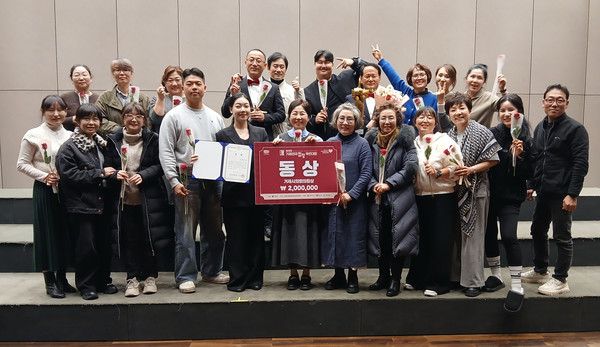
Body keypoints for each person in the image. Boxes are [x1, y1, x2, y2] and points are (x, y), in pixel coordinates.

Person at [159, 67, 228, 294]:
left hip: (213, 180)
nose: (194, 87)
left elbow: (222, 150)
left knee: (215, 229)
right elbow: (166, 152)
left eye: (198, 83)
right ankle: (186, 276)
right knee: (186, 230)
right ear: (183, 87)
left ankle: (211, 271)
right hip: (187, 180)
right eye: (189, 84)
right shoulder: (173, 116)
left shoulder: (215, 118)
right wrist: (173, 181)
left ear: (205, 88)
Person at [522, 84, 589, 296]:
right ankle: (541, 270)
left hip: (562, 193)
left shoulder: (575, 129)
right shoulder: (541, 127)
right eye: (550, 99)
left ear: (567, 103)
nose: (554, 103)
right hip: (543, 191)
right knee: (537, 230)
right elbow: (536, 158)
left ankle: (561, 279)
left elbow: (580, 164)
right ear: (543, 103)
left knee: (562, 236)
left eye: (560, 100)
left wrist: (573, 194)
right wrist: (531, 185)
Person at [104, 102, 174, 297]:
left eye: (139, 116)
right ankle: (132, 279)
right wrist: (115, 174)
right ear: (122, 118)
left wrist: (144, 175)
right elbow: (107, 167)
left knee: (148, 240)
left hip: (149, 199)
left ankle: (150, 277)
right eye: (129, 115)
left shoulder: (153, 139)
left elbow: (161, 165)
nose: (134, 119)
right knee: (130, 240)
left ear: (144, 119)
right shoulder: (113, 140)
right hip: (124, 201)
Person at [56, 103, 118, 300]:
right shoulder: (69, 147)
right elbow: (69, 175)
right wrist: (100, 173)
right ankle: (86, 285)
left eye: (95, 119)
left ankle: (102, 281)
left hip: (103, 203)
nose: (91, 123)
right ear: (77, 121)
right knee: (86, 248)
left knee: (103, 245)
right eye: (87, 119)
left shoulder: (102, 143)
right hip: (81, 205)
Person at [16, 95, 75, 298]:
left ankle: (62, 278)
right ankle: (49, 281)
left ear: (66, 112)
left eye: (60, 110)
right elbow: (22, 164)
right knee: (46, 233)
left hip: (67, 191)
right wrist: (44, 177)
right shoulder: (33, 134)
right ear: (43, 111)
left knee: (63, 233)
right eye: (51, 110)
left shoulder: (70, 135)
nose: (56, 114)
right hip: (45, 190)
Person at [445, 92, 501, 297]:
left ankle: (473, 282)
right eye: (453, 109)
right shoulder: (447, 136)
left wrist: (471, 170)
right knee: (455, 236)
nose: (458, 112)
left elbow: (493, 159)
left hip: (477, 189)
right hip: (453, 190)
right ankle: (454, 277)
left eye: (462, 108)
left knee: (474, 236)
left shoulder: (481, 131)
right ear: (449, 113)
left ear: (469, 109)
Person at [484, 94, 535, 311]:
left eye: (511, 110)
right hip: (489, 193)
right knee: (488, 234)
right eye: (503, 110)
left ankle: (516, 284)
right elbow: (490, 160)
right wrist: (506, 154)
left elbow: (528, 171)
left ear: (519, 112)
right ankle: (496, 275)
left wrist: (521, 157)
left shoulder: (526, 138)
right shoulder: (493, 133)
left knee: (509, 236)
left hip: (511, 197)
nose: (507, 114)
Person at [216, 93, 269, 292]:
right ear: (231, 109)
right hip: (233, 196)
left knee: (256, 239)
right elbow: (218, 165)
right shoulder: (222, 134)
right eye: (238, 106)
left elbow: (266, 161)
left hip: (256, 194)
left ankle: (255, 278)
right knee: (236, 240)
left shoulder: (261, 133)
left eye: (246, 105)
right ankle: (237, 279)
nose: (243, 109)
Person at [405, 106, 460, 297]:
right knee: (422, 239)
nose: (425, 121)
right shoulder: (413, 143)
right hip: (419, 197)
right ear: (415, 122)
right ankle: (418, 278)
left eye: (430, 117)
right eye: (421, 117)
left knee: (441, 240)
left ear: (436, 123)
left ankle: (440, 282)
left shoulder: (445, 141)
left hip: (443, 196)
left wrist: (438, 173)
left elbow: (457, 167)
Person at [365, 102, 419, 297]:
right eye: (383, 118)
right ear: (377, 120)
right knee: (382, 240)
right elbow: (364, 168)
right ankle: (383, 277)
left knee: (398, 239)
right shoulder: (370, 141)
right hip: (377, 200)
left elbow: (411, 167)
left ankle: (395, 279)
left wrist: (389, 184)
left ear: (397, 120)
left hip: (400, 199)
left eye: (390, 118)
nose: (387, 122)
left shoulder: (406, 141)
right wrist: (372, 185)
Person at [271, 99, 323, 291]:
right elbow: (272, 170)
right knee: (289, 233)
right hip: (287, 198)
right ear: (289, 116)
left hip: (309, 200)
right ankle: (293, 274)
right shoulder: (280, 139)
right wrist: (273, 149)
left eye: (302, 114)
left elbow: (324, 168)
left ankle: (307, 274)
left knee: (308, 233)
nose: (298, 117)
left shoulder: (317, 140)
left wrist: (316, 149)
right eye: (295, 113)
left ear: (309, 118)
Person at [321, 103, 372, 294]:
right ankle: (338, 275)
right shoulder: (329, 143)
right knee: (335, 235)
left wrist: (352, 194)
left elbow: (366, 173)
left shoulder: (362, 144)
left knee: (353, 237)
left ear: (357, 122)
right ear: (335, 121)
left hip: (355, 201)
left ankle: (353, 277)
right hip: (333, 201)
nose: (345, 122)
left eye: (350, 119)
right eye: (342, 118)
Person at [221, 49, 286, 140]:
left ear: (264, 65)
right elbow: (225, 113)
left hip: (264, 137)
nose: (254, 64)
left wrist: (265, 117)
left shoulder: (273, 87)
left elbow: (281, 114)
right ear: (245, 63)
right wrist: (232, 95)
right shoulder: (236, 84)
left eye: (258, 61)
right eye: (251, 60)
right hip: (238, 137)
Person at [304, 50, 364, 140]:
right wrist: (315, 120)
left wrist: (354, 62)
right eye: (320, 62)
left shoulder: (345, 79)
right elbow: (304, 121)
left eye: (327, 62)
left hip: (347, 137)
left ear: (332, 64)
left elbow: (371, 70)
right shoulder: (307, 91)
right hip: (319, 140)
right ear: (314, 64)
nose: (323, 66)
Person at [371, 44, 437, 126]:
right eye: (415, 75)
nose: (419, 78)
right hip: (401, 136)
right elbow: (394, 78)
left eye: (422, 75)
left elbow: (436, 122)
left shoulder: (434, 99)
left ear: (428, 77)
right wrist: (381, 60)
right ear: (410, 79)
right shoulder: (406, 92)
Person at [96, 58, 151, 137]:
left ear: (131, 73)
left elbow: (148, 121)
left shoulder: (143, 98)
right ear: (113, 74)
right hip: (113, 141)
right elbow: (100, 120)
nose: (121, 73)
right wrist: (121, 130)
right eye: (117, 70)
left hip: (139, 141)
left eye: (125, 70)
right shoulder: (104, 98)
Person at [266, 52, 305, 138]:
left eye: (282, 67)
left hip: (288, 137)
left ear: (286, 69)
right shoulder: (262, 89)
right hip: (267, 136)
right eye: (275, 66)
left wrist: (298, 91)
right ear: (268, 68)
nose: (278, 70)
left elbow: (303, 110)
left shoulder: (292, 90)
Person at [345, 62, 385, 134]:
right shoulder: (351, 98)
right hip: (359, 139)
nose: (370, 79)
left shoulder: (387, 97)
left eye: (373, 76)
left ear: (379, 78)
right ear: (361, 78)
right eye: (367, 76)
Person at [464, 64, 508, 128]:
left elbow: (508, 106)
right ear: (466, 78)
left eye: (479, 78)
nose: (475, 80)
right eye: (472, 76)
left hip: (480, 137)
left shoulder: (490, 98)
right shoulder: (460, 98)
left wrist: (503, 89)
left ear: (484, 82)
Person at [60, 64, 99, 131]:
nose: (81, 78)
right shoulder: (64, 98)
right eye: (77, 75)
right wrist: (72, 119)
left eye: (84, 75)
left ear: (91, 78)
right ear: (71, 79)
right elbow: (58, 119)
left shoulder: (99, 99)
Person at [149, 65, 185, 134]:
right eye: (170, 80)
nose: (174, 84)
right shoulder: (157, 99)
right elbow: (155, 122)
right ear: (164, 83)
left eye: (177, 80)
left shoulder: (190, 100)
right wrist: (161, 99)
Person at [433, 64, 457, 133]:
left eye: (447, 77)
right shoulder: (431, 96)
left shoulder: (455, 99)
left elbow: (449, 125)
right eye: (440, 75)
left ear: (453, 80)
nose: (442, 79)